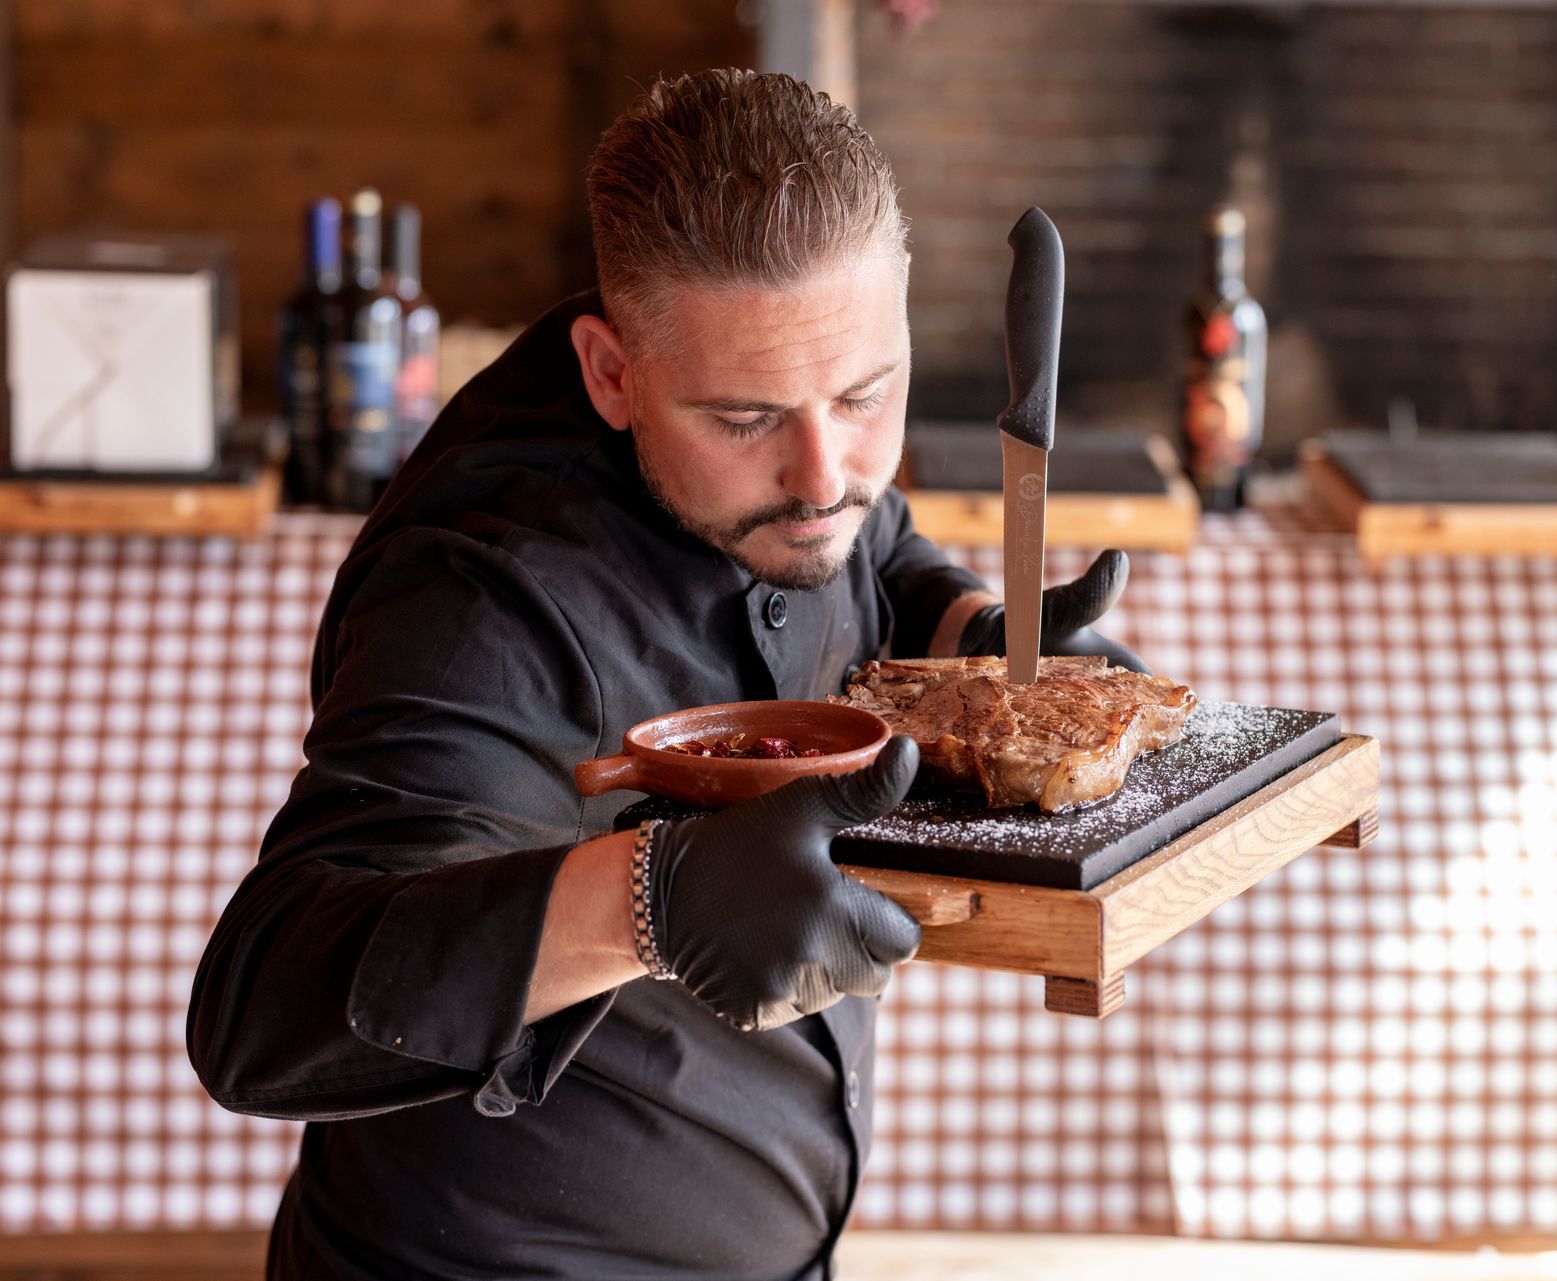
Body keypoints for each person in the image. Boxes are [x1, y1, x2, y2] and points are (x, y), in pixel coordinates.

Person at [188, 69, 1143, 1280]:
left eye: (864, 394)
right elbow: (262, 1010)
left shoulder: (799, 448)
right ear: (611, 373)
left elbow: (872, 540)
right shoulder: (486, 596)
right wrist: (649, 900)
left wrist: (970, 633)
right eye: (743, 421)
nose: (819, 474)